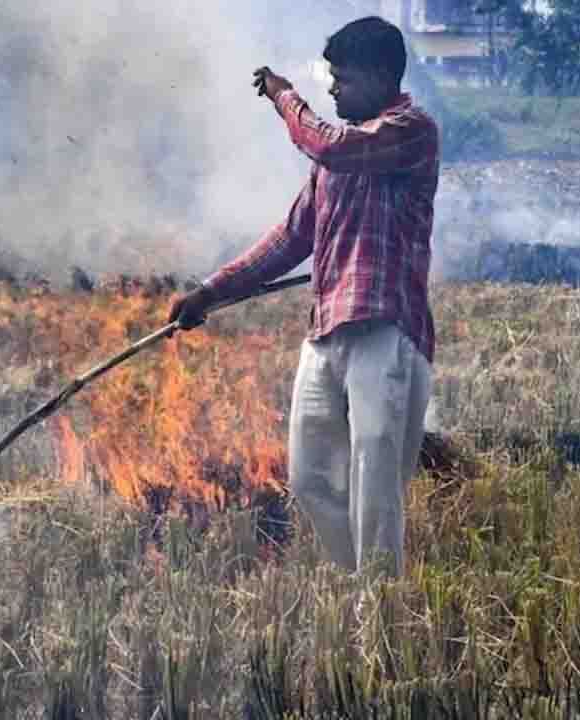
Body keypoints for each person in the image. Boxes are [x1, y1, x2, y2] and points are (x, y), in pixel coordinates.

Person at [168, 16, 439, 577]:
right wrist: (208, 293)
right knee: (310, 478)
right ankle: (359, 589)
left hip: (385, 332)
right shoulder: (332, 162)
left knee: (375, 484)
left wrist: (283, 96)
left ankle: (380, 620)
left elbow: (329, 143)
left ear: (383, 75)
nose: (333, 89)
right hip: (325, 334)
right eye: (329, 78)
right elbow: (289, 240)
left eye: (343, 79)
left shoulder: (410, 130)